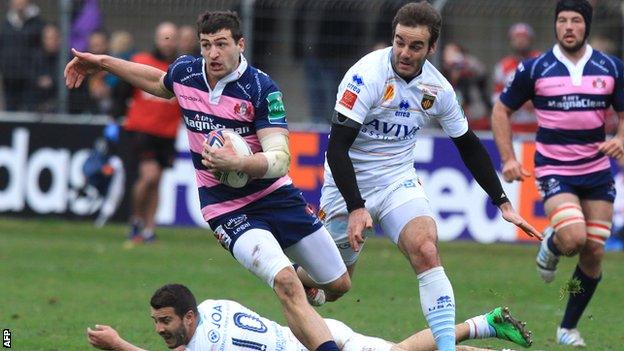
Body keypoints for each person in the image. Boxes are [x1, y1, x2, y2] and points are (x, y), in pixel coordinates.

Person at [65, 11, 351, 351]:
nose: (213, 54)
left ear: (240, 45)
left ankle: (308, 282)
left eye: (221, 44)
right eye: (206, 45)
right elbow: (158, 83)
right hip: (226, 208)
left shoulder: (261, 88)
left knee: (338, 284)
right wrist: (102, 61)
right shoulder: (187, 73)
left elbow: (280, 159)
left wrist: (239, 162)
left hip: (276, 196)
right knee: (285, 283)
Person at [316, 3, 542, 351]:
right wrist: (356, 206)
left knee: (426, 249)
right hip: (348, 184)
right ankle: (301, 275)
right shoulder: (365, 76)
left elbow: (468, 145)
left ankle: (447, 349)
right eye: (400, 42)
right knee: (336, 286)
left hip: (397, 181)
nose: (405, 53)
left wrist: (502, 201)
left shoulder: (438, 89)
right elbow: (337, 149)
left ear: (431, 48)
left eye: (415, 46)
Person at [490, 0, 624, 347]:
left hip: (596, 169)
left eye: (575, 20)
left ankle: (567, 328)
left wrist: (621, 138)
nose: (568, 26)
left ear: (586, 26)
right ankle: (551, 242)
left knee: (594, 249)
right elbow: (501, 110)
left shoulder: (610, 66)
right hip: (554, 169)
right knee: (574, 239)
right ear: (555, 25)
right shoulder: (535, 68)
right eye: (562, 20)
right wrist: (507, 158)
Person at [86, 283, 532, 351]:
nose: (161, 330)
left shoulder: (202, 344)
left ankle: (486, 324)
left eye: (165, 322)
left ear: (188, 316)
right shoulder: (215, 306)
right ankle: (487, 323)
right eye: (155, 323)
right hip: (317, 334)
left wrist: (119, 344)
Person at [106, 22, 180, 243]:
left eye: (172, 37)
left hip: (167, 133)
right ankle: (136, 220)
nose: (168, 42)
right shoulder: (141, 62)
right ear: (156, 39)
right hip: (142, 131)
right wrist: (115, 116)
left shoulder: (180, 69)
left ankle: (149, 229)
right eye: (164, 37)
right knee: (149, 176)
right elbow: (121, 91)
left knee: (157, 181)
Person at [491, 23, 540, 133]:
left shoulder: (541, 61)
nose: (520, 41)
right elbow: (495, 97)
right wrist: (518, 101)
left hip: (540, 126)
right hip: (513, 127)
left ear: (531, 40)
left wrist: (534, 100)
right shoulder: (502, 66)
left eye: (524, 37)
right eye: (516, 38)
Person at [0, 0, 45, 111]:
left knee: (30, 112)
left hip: (31, 79)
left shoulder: (38, 24)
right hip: (9, 78)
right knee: (11, 114)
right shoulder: (5, 25)